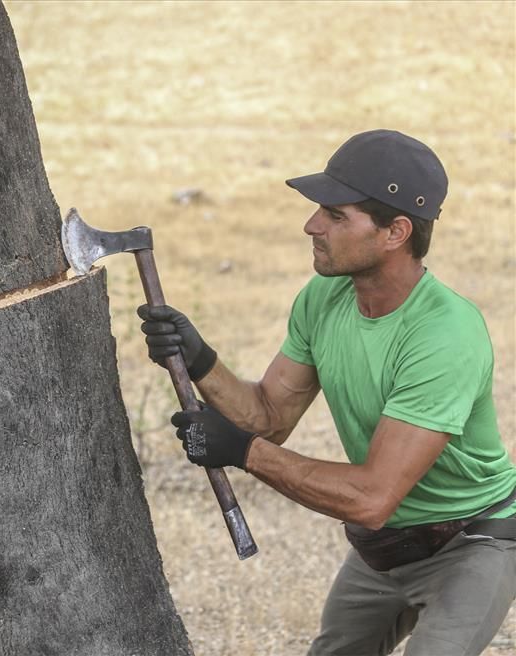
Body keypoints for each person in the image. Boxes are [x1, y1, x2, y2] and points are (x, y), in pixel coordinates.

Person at [139, 129, 516, 656]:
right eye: (320, 210)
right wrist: (199, 359)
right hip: (381, 552)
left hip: (469, 543)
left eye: (336, 216)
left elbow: (371, 498)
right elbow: (269, 416)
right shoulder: (324, 297)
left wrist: (243, 452)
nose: (311, 225)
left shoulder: (444, 335)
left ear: (395, 232)